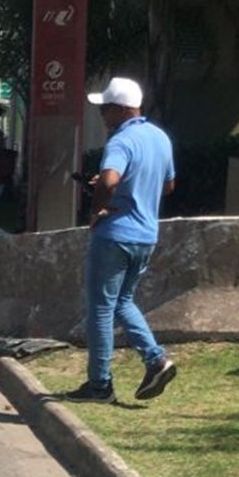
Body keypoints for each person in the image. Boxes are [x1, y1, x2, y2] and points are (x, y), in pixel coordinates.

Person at [69, 77, 177, 404]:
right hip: (146, 234)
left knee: (101, 308)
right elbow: (169, 185)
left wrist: (97, 208)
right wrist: (134, 192)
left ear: (120, 109)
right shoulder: (159, 138)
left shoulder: (120, 141)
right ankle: (156, 359)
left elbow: (110, 179)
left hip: (115, 234)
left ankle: (99, 385)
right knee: (123, 302)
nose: (102, 116)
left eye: (105, 110)